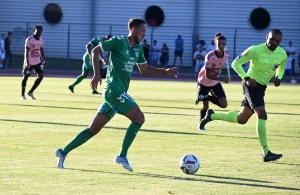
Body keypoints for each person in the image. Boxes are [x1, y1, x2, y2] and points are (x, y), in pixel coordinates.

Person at [55, 18, 179, 171]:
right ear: (133, 30)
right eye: (142, 31)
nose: (144, 34)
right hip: (113, 91)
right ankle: (122, 155)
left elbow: (144, 69)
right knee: (139, 118)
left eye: (145, 31)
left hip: (117, 94)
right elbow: (95, 51)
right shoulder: (119, 41)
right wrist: (96, 74)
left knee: (93, 129)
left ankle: (62, 152)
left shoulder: (138, 49)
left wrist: (165, 71)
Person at [199, 29, 287, 162]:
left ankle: (211, 115)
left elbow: (281, 66)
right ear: (266, 36)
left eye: (277, 41)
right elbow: (236, 63)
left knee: (242, 119)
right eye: (272, 39)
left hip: (261, 88)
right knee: (262, 114)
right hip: (250, 85)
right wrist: (246, 77)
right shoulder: (255, 50)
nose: (274, 43)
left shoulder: (282, 54)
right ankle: (266, 152)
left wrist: (278, 77)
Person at [195, 33, 230, 130]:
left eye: (224, 44)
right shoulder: (210, 56)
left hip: (214, 82)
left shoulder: (227, 54)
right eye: (220, 44)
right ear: (215, 44)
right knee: (205, 107)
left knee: (224, 104)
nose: (222, 46)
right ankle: (201, 125)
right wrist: (222, 79)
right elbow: (208, 75)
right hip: (204, 82)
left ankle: (204, 97)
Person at [21, 26, 46, 100]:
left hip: (37, 62)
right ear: (34, 31)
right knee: (25, 77)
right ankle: (22, 95)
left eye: (40, 30)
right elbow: (26, 51)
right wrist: (26, 62)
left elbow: (41, 50)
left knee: (41, 76)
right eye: (37, 30)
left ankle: (31, 92)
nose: (39, 32)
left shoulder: (41, 41)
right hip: (29, 62)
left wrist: (44, 60)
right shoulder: (29, 39)